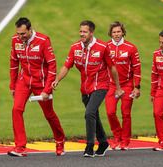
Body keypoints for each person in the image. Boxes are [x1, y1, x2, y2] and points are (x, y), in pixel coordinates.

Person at [52, 20, 123, 157]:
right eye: (80, 31)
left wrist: (118, 88)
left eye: (84, 32)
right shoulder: (75, 48)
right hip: (85, 88)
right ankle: (103, 142)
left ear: (91, 33)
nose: (82, 34)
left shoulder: (102, 47)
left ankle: (89, 146)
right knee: (93, 114)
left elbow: (112, 68)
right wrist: (57, 80)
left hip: (101, 85)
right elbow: (67, 66)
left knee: (89, 113)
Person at [8, 17, 65, 157]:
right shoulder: (15, 40)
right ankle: (20, 147)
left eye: (23, 34)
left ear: (30, 29)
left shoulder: (43, 40)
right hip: (24, 80)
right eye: (18, 34)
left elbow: (52, 65)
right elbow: (14, 63)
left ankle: (59, 140)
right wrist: (12, 84)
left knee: (49, 114)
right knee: (16, 109)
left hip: (41, 82)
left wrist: (47, 90)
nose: (20, 37)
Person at [105, 21, 141, 150]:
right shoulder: (106, 47)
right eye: (114, 32)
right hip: (111, 85)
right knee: (110, 112)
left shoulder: (131, 48)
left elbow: (137, 69)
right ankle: (117, 136)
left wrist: (136, 87)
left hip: (127, 85)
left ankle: (125, 140)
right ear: (111, 33)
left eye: (118, 31)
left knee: (126, 113)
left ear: (123, 32)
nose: (116, 34)